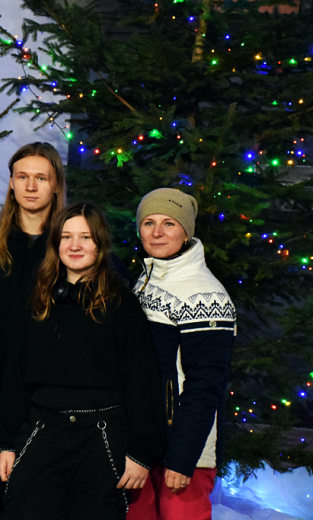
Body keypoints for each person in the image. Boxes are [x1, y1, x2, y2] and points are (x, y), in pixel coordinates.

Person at [0, 203, 164, 520]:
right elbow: (16, 376)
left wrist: (141, 452)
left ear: (99, 244)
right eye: (67, 237)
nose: (75, 246)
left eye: (85, 237)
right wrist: (6, 442)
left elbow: (141, 380)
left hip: (100, 436)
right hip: (42, 428)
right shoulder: (39, 299)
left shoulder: (120, 303)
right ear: (55, 243)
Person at [0, 142, 66, 520]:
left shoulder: (72, 251)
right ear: (10, 183)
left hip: (47, 407)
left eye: (41, 178)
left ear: (55, 185)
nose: (30, 186)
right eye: (22, 177)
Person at [128, 188, 236, 520]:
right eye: (148, 222)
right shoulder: (146, 280)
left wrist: (182, 456)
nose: (157, 233)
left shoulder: (204, 294)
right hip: (145, 443)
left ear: (186, 231)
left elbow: (205, 385)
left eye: (169, 223)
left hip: (182, 450)